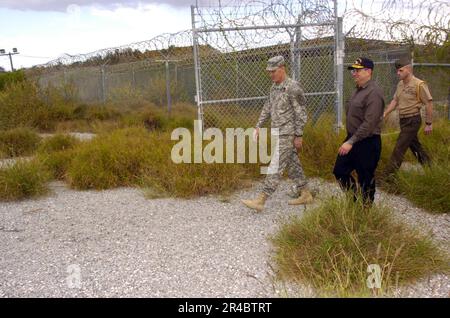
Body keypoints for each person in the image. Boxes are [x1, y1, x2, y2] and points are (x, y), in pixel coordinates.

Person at [241, 55, 313, 212]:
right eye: (269, 72)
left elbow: (301, 113)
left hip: (288, 133)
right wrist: (258, 126)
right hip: (277, 132)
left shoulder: (293, 87)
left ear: (282, 69)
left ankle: (261, 199)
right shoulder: (274, 88)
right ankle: (306, 193)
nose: (271, 74)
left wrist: (299, 135)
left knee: (275, 165)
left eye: (273, 71)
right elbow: (267, 107)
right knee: (293, 164)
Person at [332, 57, 384, 204]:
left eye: (358, 70)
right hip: (353, 138)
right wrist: (350, 139)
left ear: (368, 71)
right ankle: (354, 201)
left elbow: (369, 123)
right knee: (340, 170)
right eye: (353, 71)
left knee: (365, 178)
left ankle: (365, 210)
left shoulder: (374, 93)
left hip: (367, 141)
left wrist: (351, 141)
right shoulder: (358, 90)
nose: (354, 73)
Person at [383, 58, 432, 175]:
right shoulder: (400, 84)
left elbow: (429, 103)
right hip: (403, 120)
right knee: (414, 145)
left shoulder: (419, 84)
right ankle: (429, 167)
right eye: (397, 71)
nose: (398, 73)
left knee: (399, 148)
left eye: (400, 70)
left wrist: (429, 124)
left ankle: (388, 176)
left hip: (413, 120)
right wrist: (385, 113)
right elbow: (395, 100)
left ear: (408, 69)